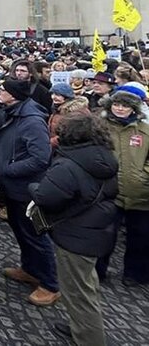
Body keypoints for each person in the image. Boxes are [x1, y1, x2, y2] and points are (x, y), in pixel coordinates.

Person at [29, 114, 118, 346]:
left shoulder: (69, 163)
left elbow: (45, 196)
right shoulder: (103, 156)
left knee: (78, 293)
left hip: (74, 235)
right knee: (87, 285)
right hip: (94, 230)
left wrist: (33, 186)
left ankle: (89, 339)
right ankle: (82, 327)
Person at [0, 79, 59, 306]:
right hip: (13, 188)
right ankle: (30, 269)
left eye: (3, 90)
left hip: (26, 189)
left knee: (36, 236)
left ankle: (51, 284)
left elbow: (41, 158)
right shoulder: (14, 111)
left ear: (14, 95)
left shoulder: (31, 121)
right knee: (21, 232)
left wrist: (8, 169)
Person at [96, 88, 149, 285]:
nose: (119, 108)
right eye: (116, 104)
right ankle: (99, 271)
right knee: (105, 234)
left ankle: (135, 274)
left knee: (140, 238)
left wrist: (144, 175)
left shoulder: (145, 129)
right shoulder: (100, 126)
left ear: (133, 109)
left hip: (140, 192)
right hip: (109, 190)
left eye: (125, 106)